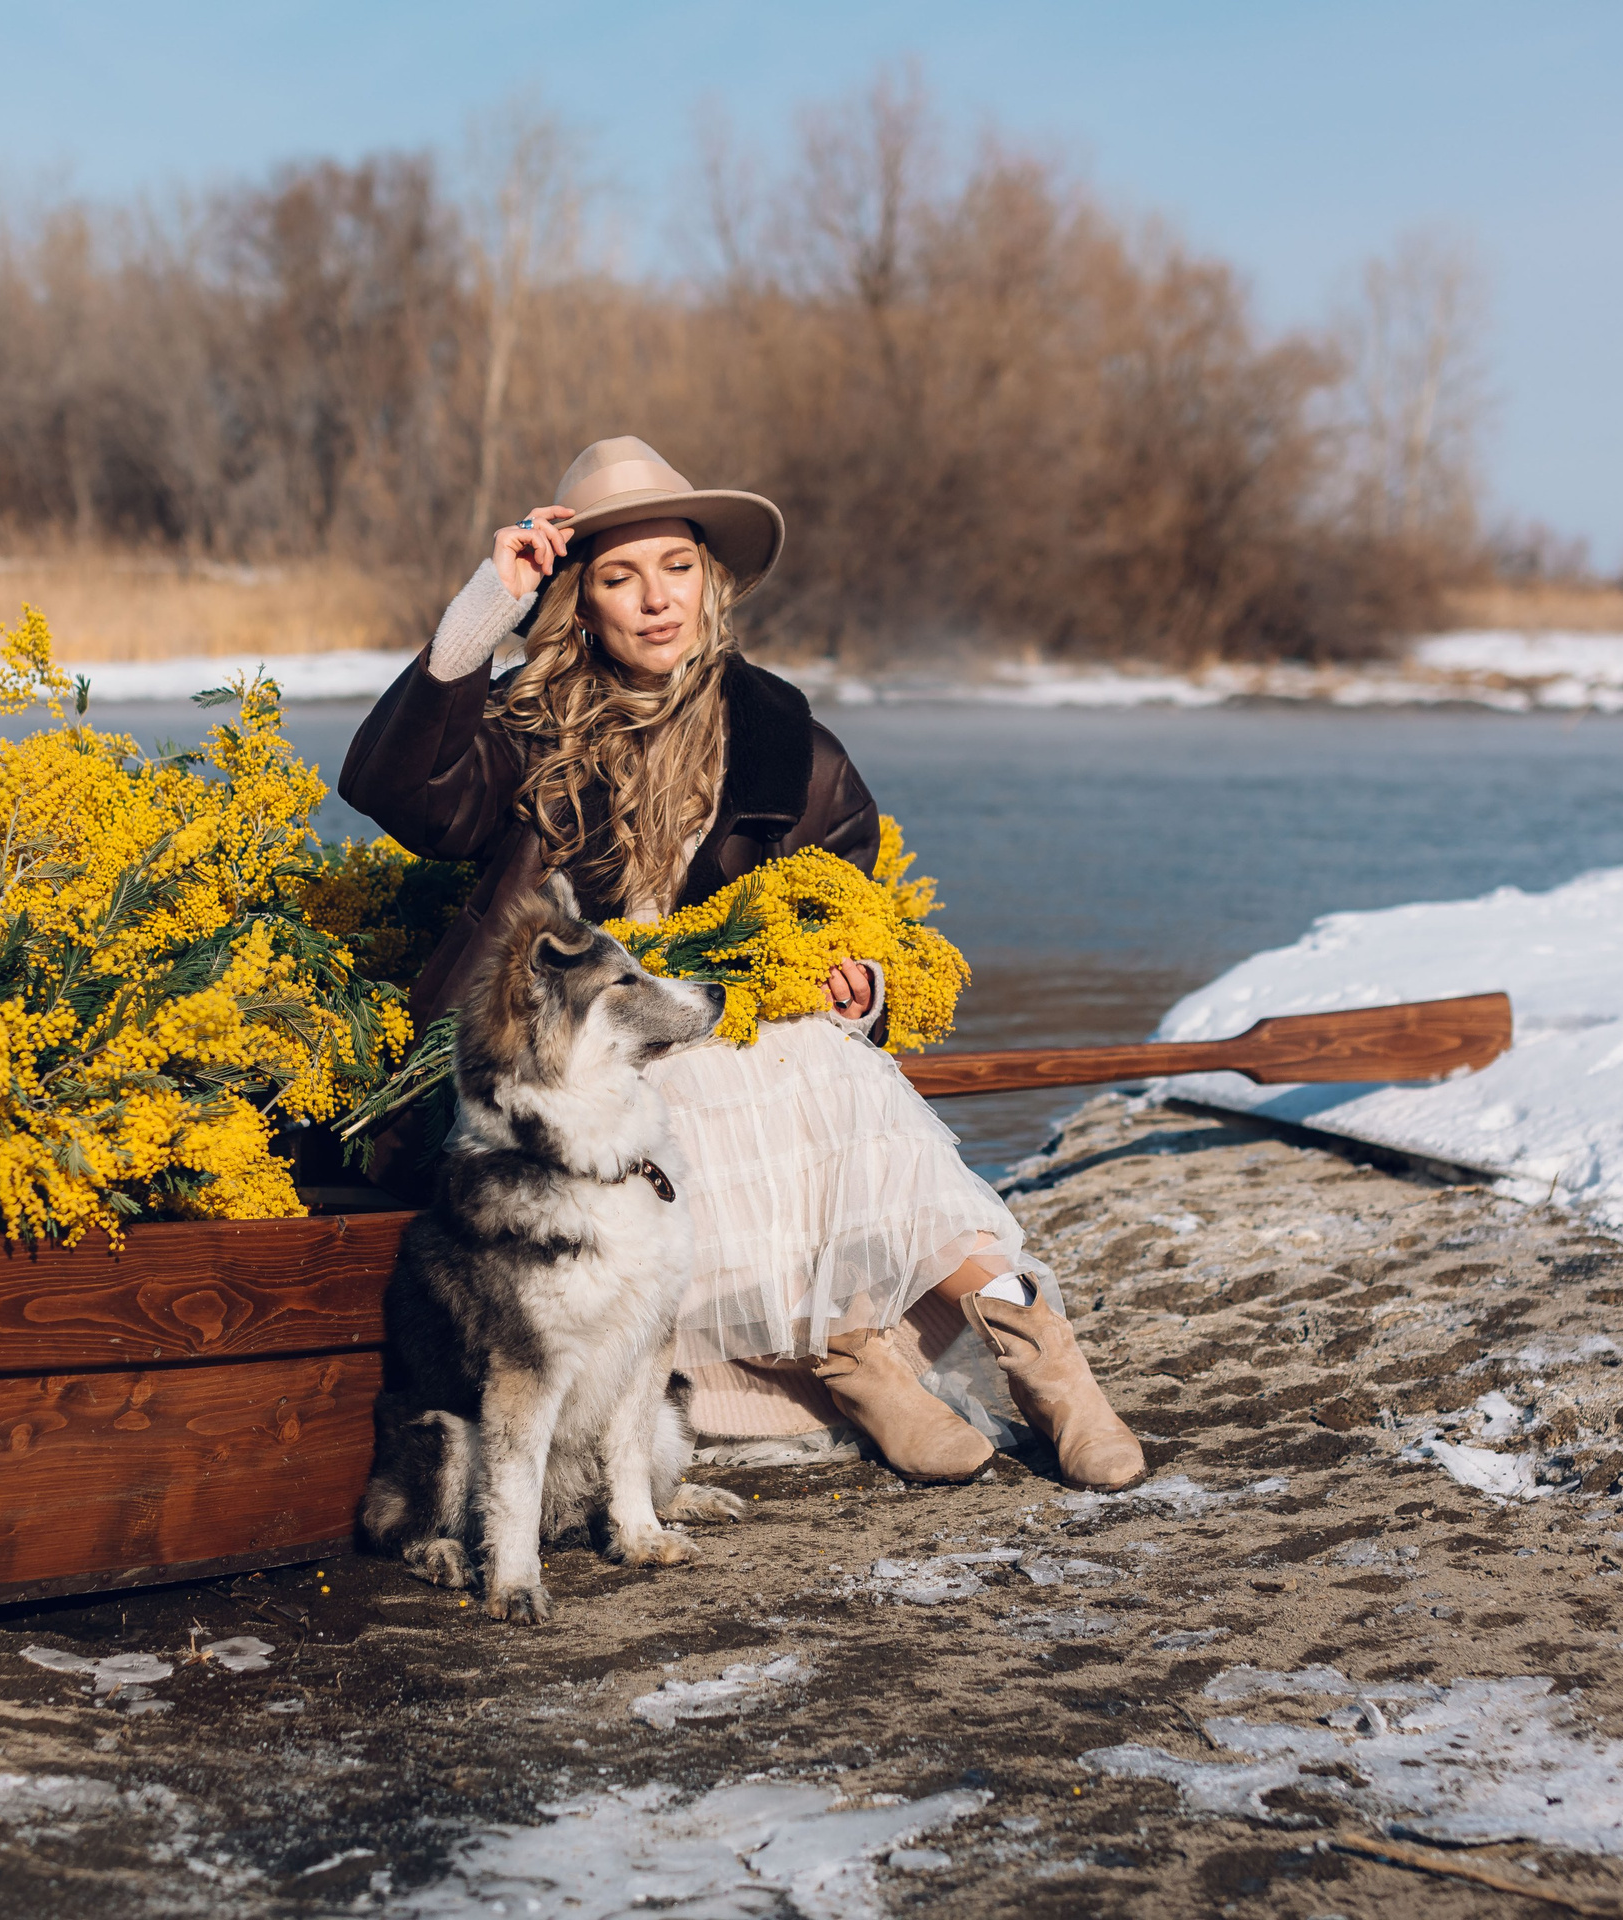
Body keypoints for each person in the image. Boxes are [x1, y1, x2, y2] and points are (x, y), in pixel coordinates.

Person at [339, 437, 1144, 1489]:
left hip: (743, 1017)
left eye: (676, 568)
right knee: (691, 1072)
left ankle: (1048, 1367)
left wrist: (864, 981)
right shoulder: (522, 730)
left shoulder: (777, 736)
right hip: (572, 1041)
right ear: (581, 601)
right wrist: (491, 599)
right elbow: (400, 790)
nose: (655, 601)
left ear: (710, 581)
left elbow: (853, 896)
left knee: (832, 1061)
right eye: (619, 579)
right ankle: (848, 1362)